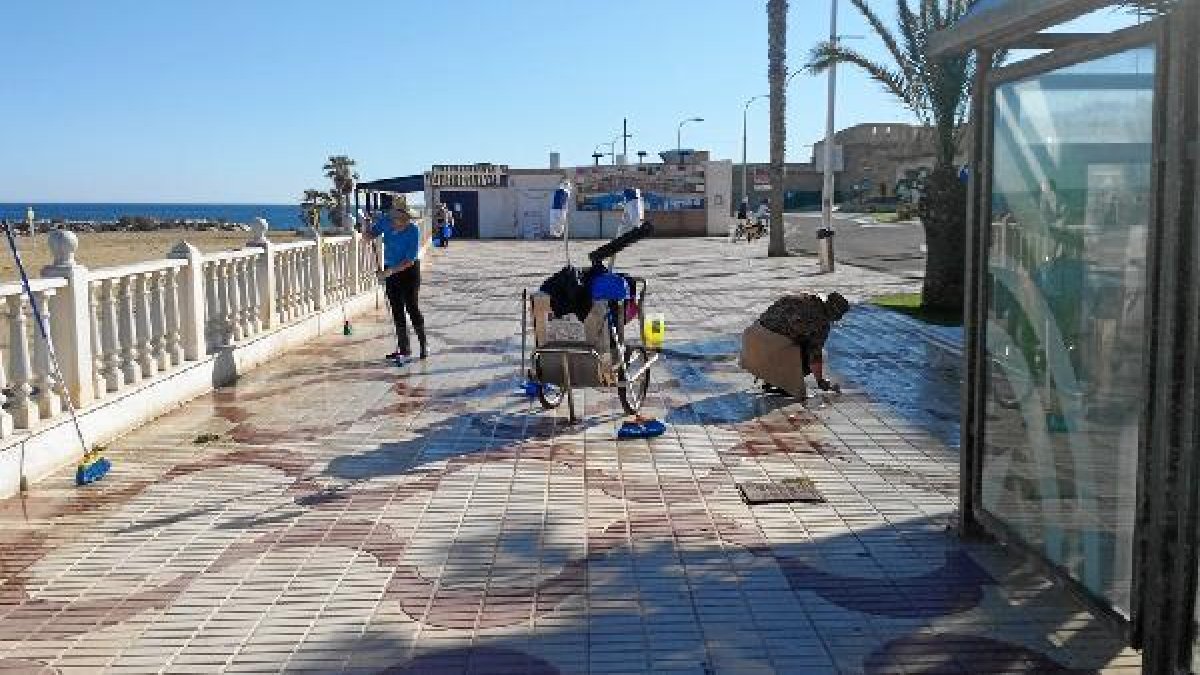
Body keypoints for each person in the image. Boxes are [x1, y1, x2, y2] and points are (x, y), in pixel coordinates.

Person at [366, 200, 427, 361]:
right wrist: (367, 232)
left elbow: (410, 260)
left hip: (409, 271)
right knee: (396, 308)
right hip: (390, 269)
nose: (399, 224)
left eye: (404, 220)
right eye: (397, 219)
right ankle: (404, 348)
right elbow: (372, 234)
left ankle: (423, 345)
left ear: (407, 218)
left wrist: (388, 272)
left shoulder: (413, 231)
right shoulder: (385, 222)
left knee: (411, 306)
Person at [755, 292, 849, 391]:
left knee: (790, 338)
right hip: (769, 353)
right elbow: (814, 356)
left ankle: (769, 377)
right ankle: (782, 381)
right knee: (814, 353)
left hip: (752, 346)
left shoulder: (801, 298)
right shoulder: (821, 324)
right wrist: (820, 381)